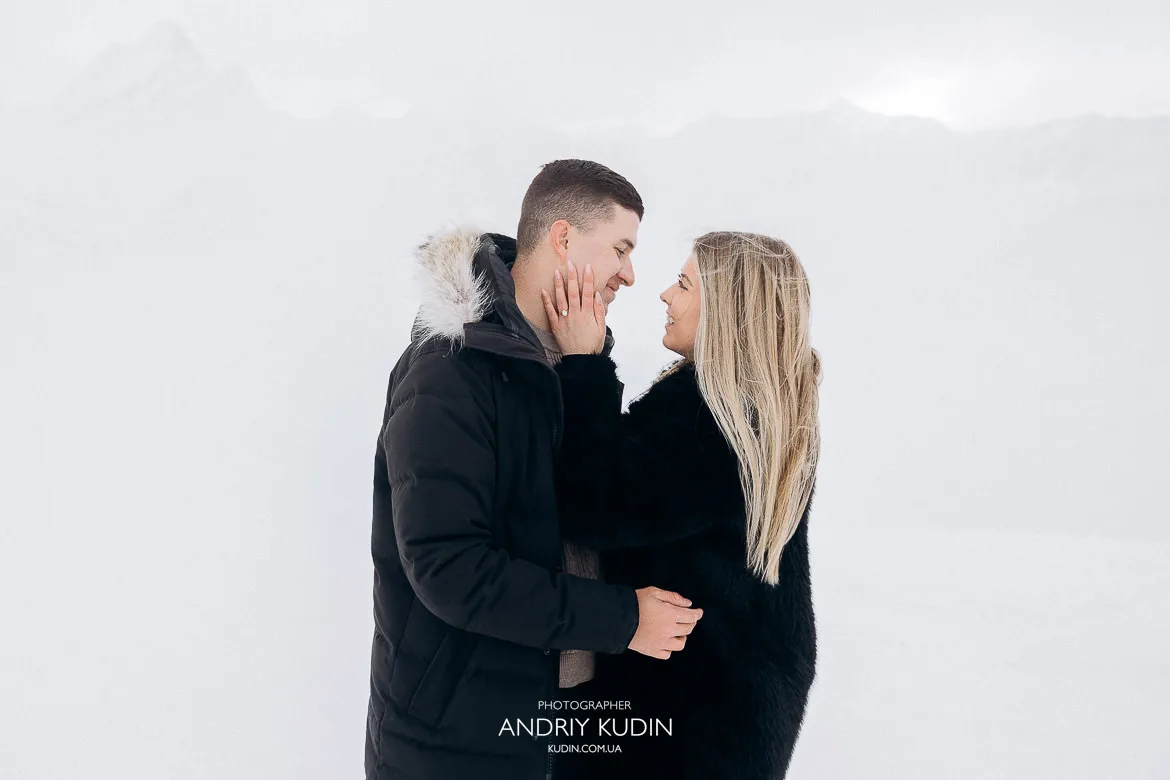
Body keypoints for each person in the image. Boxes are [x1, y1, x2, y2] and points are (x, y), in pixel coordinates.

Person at [365, 159, 704, 780]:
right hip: (454, 746)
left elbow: (593, 508)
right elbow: (450, 568)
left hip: (553, 732)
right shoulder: (449, 372)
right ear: (565, 238)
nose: (630, 276)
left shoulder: (571, 359)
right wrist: (623, 618)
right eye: (621, 250)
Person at [540, 231, 820, 780]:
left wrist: (583, 363)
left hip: (693, 722)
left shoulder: (718, 423)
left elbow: (594, 505)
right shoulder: (741, 410)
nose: (666, 294)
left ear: (730, 312)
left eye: (686, 283)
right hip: (717, 702)